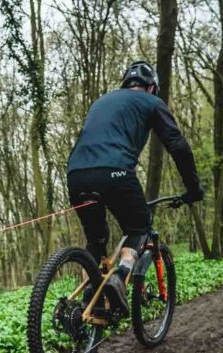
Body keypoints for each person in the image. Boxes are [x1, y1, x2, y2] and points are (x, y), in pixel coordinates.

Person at [66, 60, 205, 312]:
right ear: (152, 88)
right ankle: (121, 276)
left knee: (96, 243)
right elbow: (177, 145)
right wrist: (193, 188)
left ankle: (86, 304)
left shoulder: (101, 101)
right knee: (139, 226)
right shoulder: (152, 102)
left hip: (76, 174)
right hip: (115, 171)